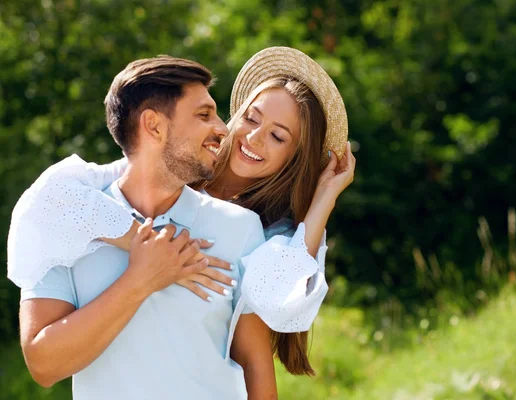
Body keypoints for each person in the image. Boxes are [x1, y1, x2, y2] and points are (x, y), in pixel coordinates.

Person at [9, 47, 354, 380]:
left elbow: (273, 312)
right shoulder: (164, 172)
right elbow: (53, 197)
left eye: (278, 136)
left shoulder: (259, 233)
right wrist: (147, 248)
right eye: (251, 118)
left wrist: (324, 198)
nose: (255, 137)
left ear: (293, 158)